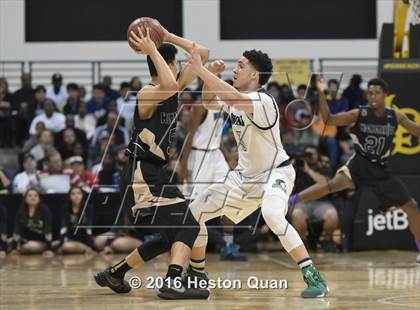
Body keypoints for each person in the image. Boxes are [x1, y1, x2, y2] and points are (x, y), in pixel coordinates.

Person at [183, 47, 328, 298]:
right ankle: (197, 273)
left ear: (255, 74)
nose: (235, 69)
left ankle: (313, 275)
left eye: (241, 65)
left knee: (272, 214)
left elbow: (233, 99)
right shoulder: (235, 97)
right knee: (194, 212)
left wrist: (201, 72)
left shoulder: (263, 101)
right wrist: (208, 75)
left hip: (276, 173)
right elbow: (208, 102)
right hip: (244, 178)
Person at [94, 26, 210, 299]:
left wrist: (167, 37)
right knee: (189, 225)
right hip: (140, 174)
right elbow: (169, 85)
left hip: (155, 173)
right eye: (177, 63)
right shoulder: (149, 92)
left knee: (173, 234)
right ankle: (172, 282)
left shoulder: (173, 87)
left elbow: (201, 54)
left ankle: (115, 273)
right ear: (168, 64)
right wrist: (152, 50)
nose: (182, 65)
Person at [289, 77, 420, 263]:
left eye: (376, 93)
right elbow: (328, 119)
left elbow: (417, 131)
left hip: (381, 168)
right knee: (332, 185)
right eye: (370, 93)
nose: (372, 96)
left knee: (412, 207)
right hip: (360, 163)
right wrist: (321, 93)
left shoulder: (395, 116)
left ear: (385, 95)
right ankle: (292, 200)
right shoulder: (360, 114)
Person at [178, 76, 247, 261]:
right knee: (193, 205)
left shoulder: (222, 105)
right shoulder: (200, 106)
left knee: (229, 198)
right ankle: (188, 247)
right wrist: (183, 166)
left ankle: (229, 245)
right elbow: (189, 136)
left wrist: (226, 157)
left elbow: (215, 136)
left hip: (216, 155)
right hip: (198, 156)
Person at [291, 145, 339, 252]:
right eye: (307, 154)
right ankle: (303, 243)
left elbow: (326, 183)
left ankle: (326, 241)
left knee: (332, 214)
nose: (310, 157)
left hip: (321, 202)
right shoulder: (297, 168)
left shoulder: (323, 166)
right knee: (296, 214)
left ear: (318, 155)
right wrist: (292, 167)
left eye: (312, 154)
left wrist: (308, 170)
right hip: (301, 202)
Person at [10, 188, 54, 256]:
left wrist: (49, 249)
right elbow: (17, 229)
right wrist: (13, 248)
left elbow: (48, 230)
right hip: (24, 240)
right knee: (9, 241)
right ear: (25, 199)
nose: (32, 197)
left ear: (39, 198)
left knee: (29, 246)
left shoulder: (45, 210)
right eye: (30, 196)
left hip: (40, 241)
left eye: (35, 195)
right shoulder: (21, 211)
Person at [58, 187, 94, 254]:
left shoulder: (88, 208)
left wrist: (89, 246)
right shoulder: (65, 208)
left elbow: (88, 229)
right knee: (64, 246)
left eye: (79, 193)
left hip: (83, 239)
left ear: (82, 195)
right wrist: (61, 245)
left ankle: (86, 248)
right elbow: (63, 228)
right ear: (69, 196)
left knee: (66, 246)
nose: (76, 196)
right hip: (70, 239)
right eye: (73, 194)